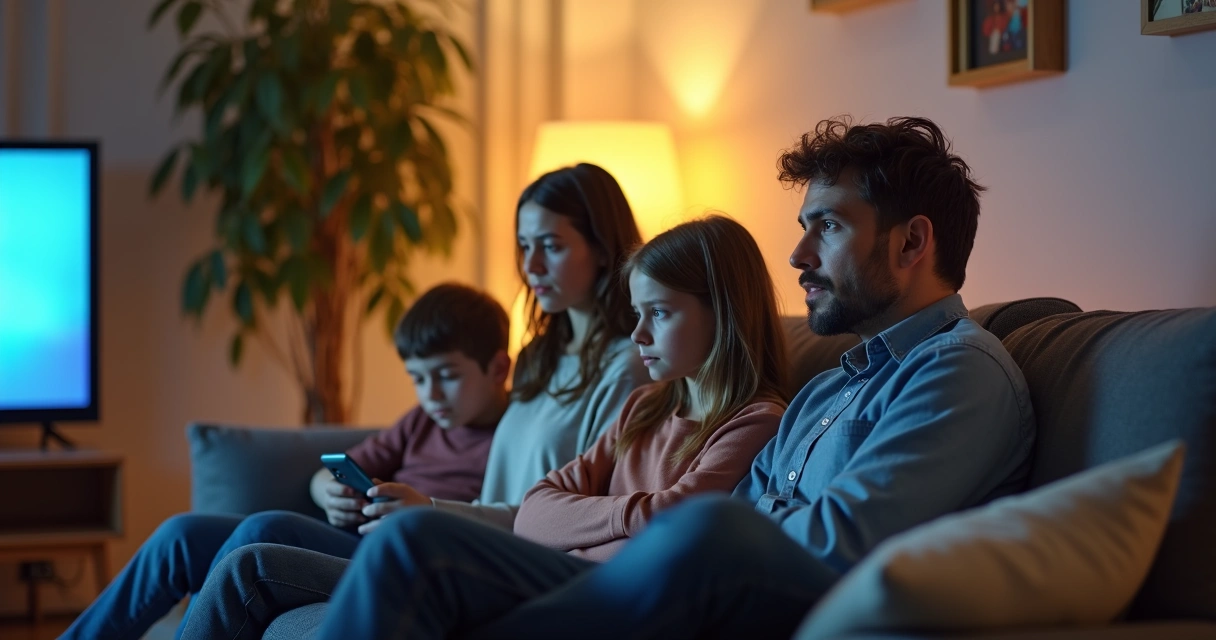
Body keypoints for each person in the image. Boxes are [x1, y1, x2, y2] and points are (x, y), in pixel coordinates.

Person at [179, 214, 791, 639]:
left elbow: (678, 525)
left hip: (610, 588)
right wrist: (634, 510)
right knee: (248, 565)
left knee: (415, 536)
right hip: (561, 568)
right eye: (636, 314)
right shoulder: (645, 408)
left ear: (725, 314)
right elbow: (534, 510)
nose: (638, 335)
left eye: (659, 313)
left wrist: (607, 515)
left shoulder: (756, 422)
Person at [62, 282, 512, 640]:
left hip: (392, 553)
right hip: (346, 534)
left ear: (498, 369)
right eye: (417, 378)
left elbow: (499, 526)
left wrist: (420, 507)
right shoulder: (421, 421)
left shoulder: (514, 434)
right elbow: (330, 470)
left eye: (448, 377)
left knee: (266, 529)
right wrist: (329, 491)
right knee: (181, 534)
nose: (431, 394)